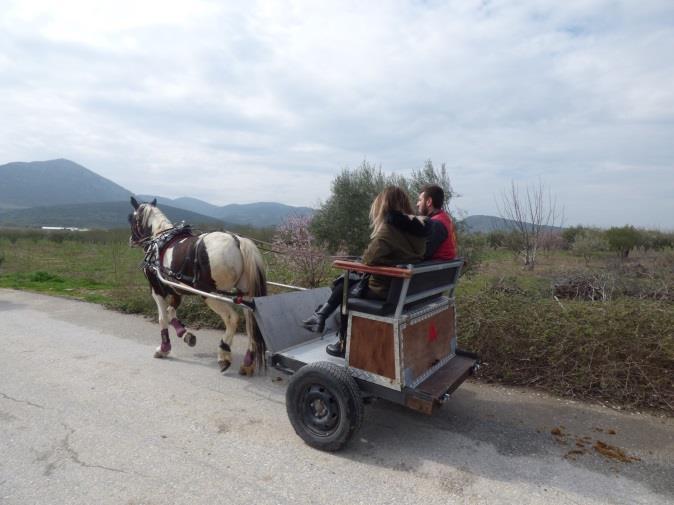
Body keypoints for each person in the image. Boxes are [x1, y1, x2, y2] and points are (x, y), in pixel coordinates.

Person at [302, 186, 428, 357]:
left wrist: (360, 262)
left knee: (345, 285)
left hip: (384, 290)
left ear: (384, 206)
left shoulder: (389, 229)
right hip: (406, 290)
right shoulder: (419, 230)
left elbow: (369, 259)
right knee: (347, 281)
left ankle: (343, 344)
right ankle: (320, 316)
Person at [416, 184, 457, 260]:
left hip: (434, 270)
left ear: (428, 202)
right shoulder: (445, 218)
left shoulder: (436, 224)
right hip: (444, 269)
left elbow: (423, 254)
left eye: (420, 200)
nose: (417, 204)